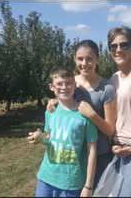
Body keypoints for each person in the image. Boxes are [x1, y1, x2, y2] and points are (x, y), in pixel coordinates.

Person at [47, 40, 117, 188]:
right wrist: (54, 101)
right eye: (80, 58)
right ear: (74, 59)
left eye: (89, 58)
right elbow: (63, 99)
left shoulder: (106, 89)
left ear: (97, 59)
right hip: (73, 156)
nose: (84, 63)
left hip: (99, 156)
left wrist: (92, 115)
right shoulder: (71, 84)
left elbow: (110, 130)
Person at [27, 65, 98, 197]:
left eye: (68, 83)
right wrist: (39, 137)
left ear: (75, 85)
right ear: (51, 87)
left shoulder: (85, 114)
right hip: (46, 177)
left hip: (71, 182)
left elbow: (92, 150)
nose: (64, 87)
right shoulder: (50, 111)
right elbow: (49, 137)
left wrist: (88, 185)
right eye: (59, 84)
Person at [94, 26, 131, 197]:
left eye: (124, 45)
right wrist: (58, 100)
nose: (118, 50)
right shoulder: (113, 79)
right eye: (113, 46)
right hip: (115, 151)